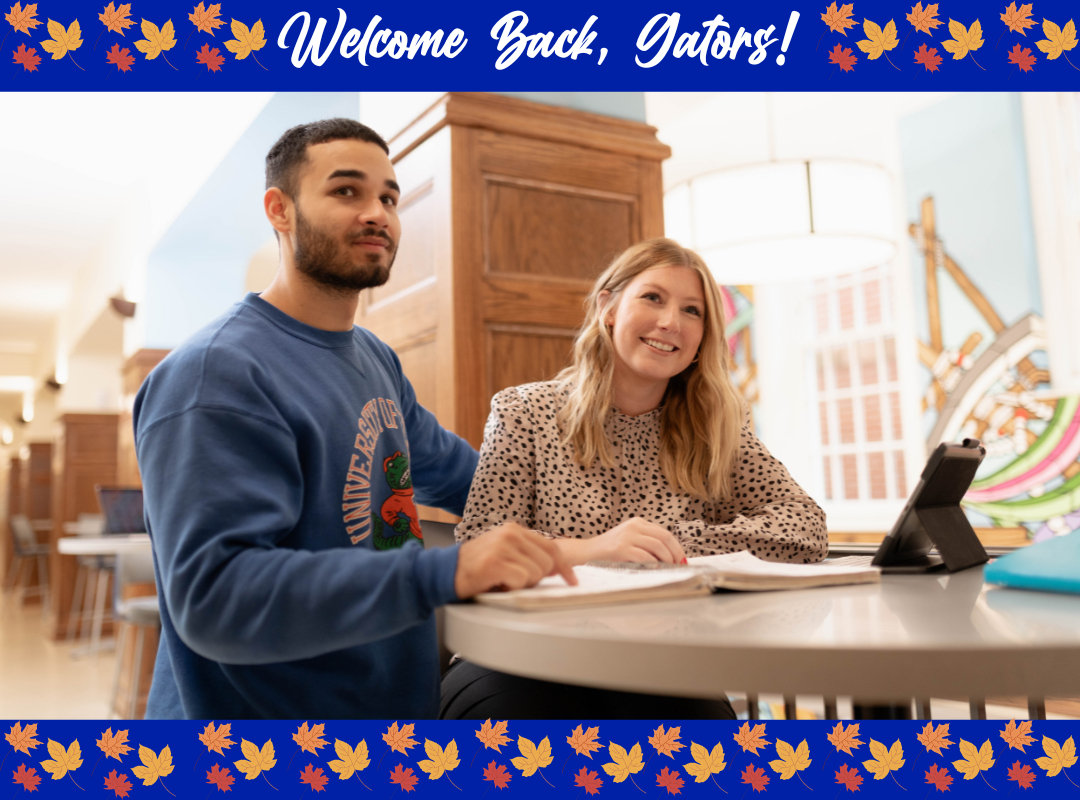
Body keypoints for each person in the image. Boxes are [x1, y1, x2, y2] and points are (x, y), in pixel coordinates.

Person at [134, 118, 574, 720]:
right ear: (279, 210)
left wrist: (603, 520)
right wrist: (443, 572)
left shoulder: (374, 358)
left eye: (389, 197)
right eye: (347, 191)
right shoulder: (215, 374)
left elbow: (464, 474)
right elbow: (217, 599)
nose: (378, 213)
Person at [441, 237, 827, 720]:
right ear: (608, 306)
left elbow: (805, 527)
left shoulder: (718, 428)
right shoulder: (523, 411)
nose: (671, 322)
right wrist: (597, 548)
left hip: (661, 661)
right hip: (521, 656)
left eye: (693, 311)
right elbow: (480, 549)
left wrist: (670, 544)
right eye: (653, 298)